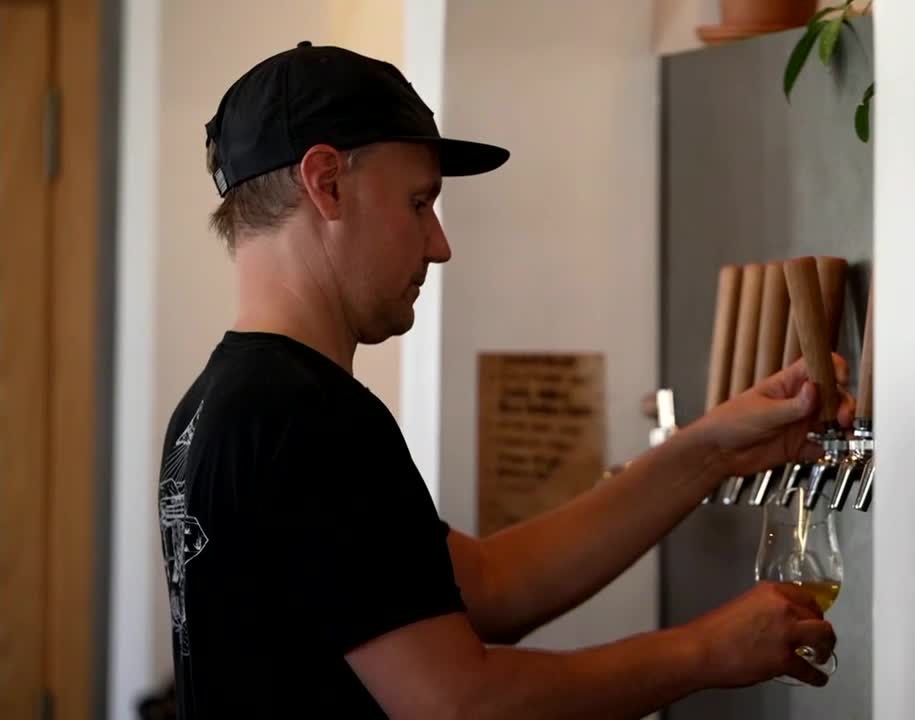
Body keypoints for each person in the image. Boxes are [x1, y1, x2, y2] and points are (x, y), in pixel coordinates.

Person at [157, 41, 855, 719]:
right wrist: (708, 651)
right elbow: (460, 702)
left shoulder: (217, 409)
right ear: (327, 183)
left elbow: (490, 587)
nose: (440, 244)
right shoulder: (311, 418)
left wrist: (715, 450)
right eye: (419, 203)